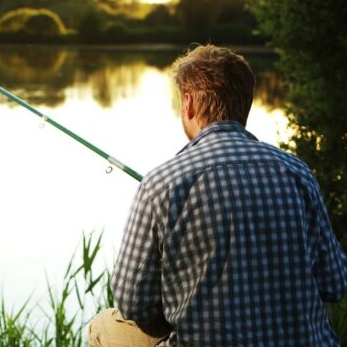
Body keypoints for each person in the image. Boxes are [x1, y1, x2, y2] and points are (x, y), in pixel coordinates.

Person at [89, 44, 347, 346]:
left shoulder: (161, 183)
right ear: (246, 104)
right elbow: (336, 283)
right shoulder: (298, 172)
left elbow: (133, 302)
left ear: (188, 104)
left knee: (103, 326)